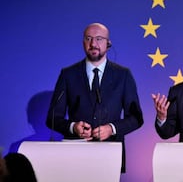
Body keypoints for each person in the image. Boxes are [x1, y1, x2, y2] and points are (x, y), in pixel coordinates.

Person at [45, 23, 144, 172]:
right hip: (75, 156)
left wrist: (111, 129)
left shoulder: (123, 75)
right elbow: (52, 118)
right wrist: (73, 127)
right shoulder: (68, 75)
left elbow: (136, 118)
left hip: (111, 154)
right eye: (88, 38)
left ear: (108, 43)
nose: (93, 44)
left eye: (99, 39)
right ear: (83, 43)